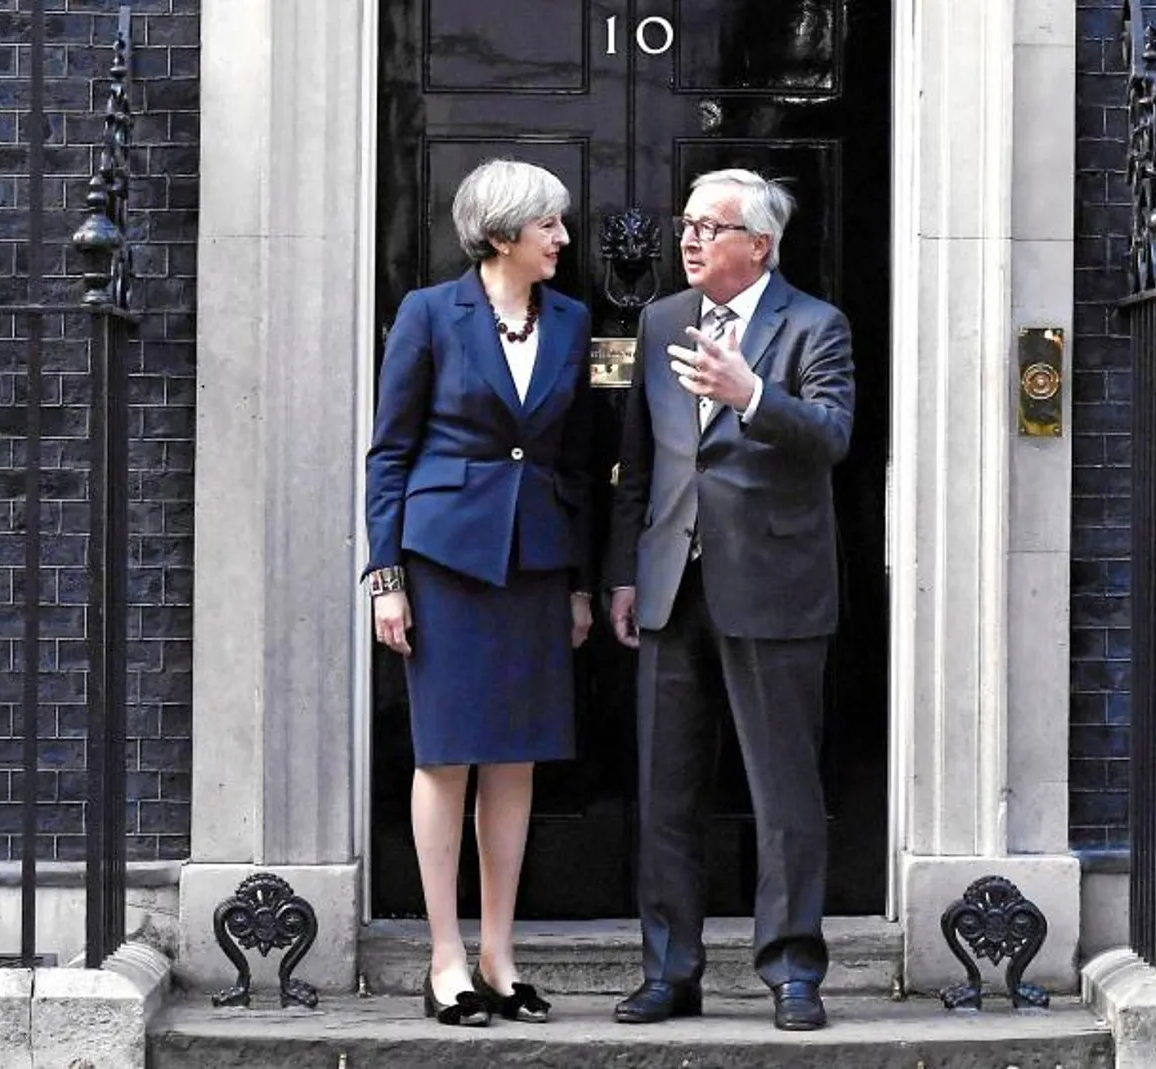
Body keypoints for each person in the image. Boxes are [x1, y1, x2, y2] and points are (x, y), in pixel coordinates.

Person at [606, 168, 854, 1031]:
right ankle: (669, 970)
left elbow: (831, 435)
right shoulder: (661, 319)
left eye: (710, 227)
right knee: (665, 793)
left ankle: (792, 971)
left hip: (776, 589)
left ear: (760, 244)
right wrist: (624, 573)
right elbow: (639, 463)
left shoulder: (815, 324)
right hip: (674, 584)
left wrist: (750, 394)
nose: (690, 239)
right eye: (688, 224)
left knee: (783, 794)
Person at [364, 159, 595, 1028]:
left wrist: (575, 582)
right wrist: (386, 578)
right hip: (446, 561)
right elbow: (390, 452)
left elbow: (574, 461)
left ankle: (499, 955)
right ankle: (446, 956)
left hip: (536, 562)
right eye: (549, 226)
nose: (563, 240)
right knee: (447, 752)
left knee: (517, 753)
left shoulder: (571, 320)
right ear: (503, 234)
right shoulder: (430, 313)